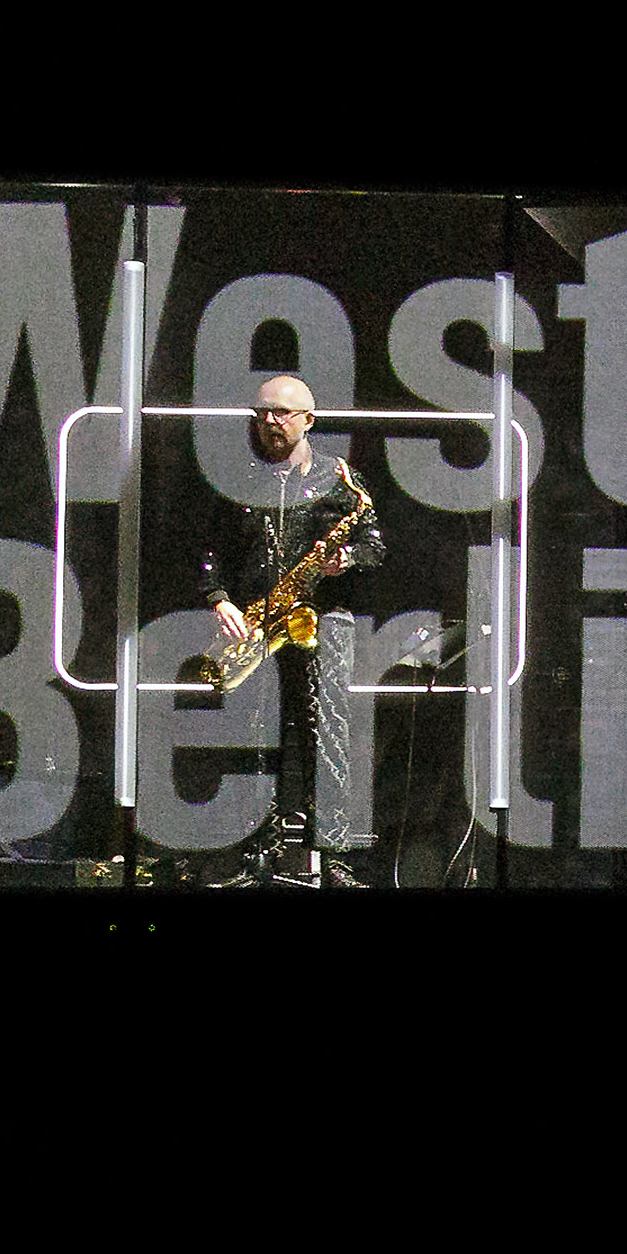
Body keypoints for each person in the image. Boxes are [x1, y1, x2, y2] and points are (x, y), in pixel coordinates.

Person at [197, 375, 386, 887]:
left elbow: (375, 545)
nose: (269, 421)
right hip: (256, 622)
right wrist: (219, 599)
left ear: (308, 419)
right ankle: (256, 850)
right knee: (253, 734)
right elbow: (210, 549)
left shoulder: (339, 478)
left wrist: (347, 558)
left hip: (321, 618)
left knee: (329, 733)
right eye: (261, 412)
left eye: (281, 412)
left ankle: (334, 857)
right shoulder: (238, 478)